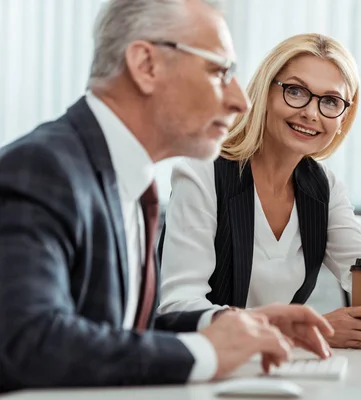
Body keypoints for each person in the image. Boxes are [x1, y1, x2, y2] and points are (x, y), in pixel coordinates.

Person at [0, 0, 334, 392]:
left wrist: (231, 324)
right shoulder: (44, 168)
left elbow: (121, 327)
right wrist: (205, 353)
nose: (241, 102)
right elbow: (27, 341)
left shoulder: (134, 183)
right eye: (219, 71)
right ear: (146, 65)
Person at [158, 34, 361, 351]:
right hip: (201, 372)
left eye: (330, 101)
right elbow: (180, 310)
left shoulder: (323, 186)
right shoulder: (203, 172)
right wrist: (307, 330)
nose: (311, 113)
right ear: (265, 92)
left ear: (343, 118)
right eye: (295, 91)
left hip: (279, 372)